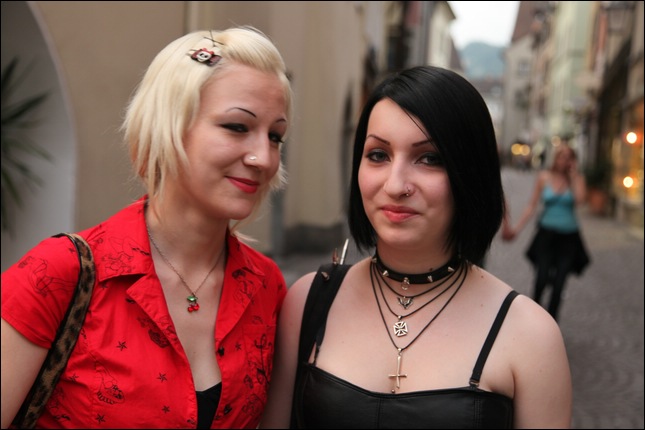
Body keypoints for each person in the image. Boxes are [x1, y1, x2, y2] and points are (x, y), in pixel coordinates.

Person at [1, 26, 293, 429]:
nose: (264, 157)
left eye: (275, 136)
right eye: (237, 127)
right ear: (169, 125)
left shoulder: (265, 286)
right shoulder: (60, 272)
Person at [260, 65, 572, 429]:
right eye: (378, 155)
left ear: (471, 173)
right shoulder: (307, 303)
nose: (396, 185)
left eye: (429, 158)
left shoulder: (531, 336)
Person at [501, 143, 590, 321]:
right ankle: (535, 319)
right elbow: (531, 206)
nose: (564, 160)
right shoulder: (544, 177)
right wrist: (516, 229)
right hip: (546, 235)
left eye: (569, 157)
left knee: (559, 283)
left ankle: (552, 322)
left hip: (568, 238)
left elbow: (581, 200)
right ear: (556, 158)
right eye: (562, 156)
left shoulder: (576, 179)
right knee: (541, 278)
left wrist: (573, 176)